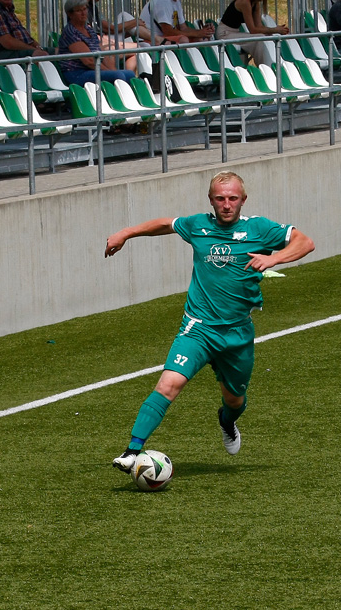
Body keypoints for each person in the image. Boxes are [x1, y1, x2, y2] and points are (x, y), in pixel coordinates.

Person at [104, 171, 315, 472]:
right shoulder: (198, 225)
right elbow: (166, 224)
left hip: (237, 334)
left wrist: (273, 258)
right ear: (211, 200)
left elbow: (305, 242)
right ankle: (132, 451)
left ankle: (226, 422)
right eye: (220, 199)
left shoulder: (259, 228)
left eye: (232, 198)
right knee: (169, 384)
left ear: (243, 200)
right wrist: (126, 232)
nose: (226, 204)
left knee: (234, 401)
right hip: (198, 329)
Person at [57, 0, 136, 86]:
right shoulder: (70, 32)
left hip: (92, 70)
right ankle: (116, 99)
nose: (83, 13)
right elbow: (89, 60)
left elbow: (102, 53)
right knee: (117, 76)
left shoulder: (89, 30)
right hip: (76, 73)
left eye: (85, 9)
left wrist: (112, 70)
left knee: (130, 74)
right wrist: (109, 72)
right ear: (70, 14)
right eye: (78, 11)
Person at [75, 0, 143, 67]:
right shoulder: (77, 6)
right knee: (138, 47)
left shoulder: (92, 6)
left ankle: (125, 79)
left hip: (102, 42)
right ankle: (121, 79)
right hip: (93, 46)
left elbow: (108, 28)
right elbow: (88, 35)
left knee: (140, 47)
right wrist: (114, 43)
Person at [216, 0, 289, 66]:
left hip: (234, 33)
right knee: (259, 38)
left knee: (265, 36)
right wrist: (275, 30)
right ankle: (264, 67)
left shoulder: (255, 4)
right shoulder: (245, 2)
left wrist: (274, 30)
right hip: (225, 34)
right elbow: (253, 30)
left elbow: (259, 26)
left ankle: (273, 64)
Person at [138, 0, 214, 45]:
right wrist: (197, 33)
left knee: (201, 39)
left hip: (161, 39)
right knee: (183, 40)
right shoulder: (163, 0)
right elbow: (168, 32)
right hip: (149, 40)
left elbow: (183, 28)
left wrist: (203, 32)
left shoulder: (176, 0)